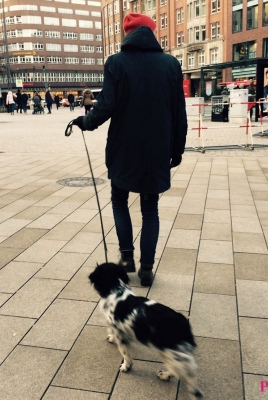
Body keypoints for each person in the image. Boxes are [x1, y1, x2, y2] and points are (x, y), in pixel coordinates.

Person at [72, 13, 187, 286]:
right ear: (151, 32)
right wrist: (177, 149)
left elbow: (106, 105)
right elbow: (178, 113)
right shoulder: (171, 64)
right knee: (150, 209)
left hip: (123, 149)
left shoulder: (116, 63)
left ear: (128, 34)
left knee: (119, 200)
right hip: (157, 150)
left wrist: (85, 122)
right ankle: (147, 269)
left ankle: (127, 258)